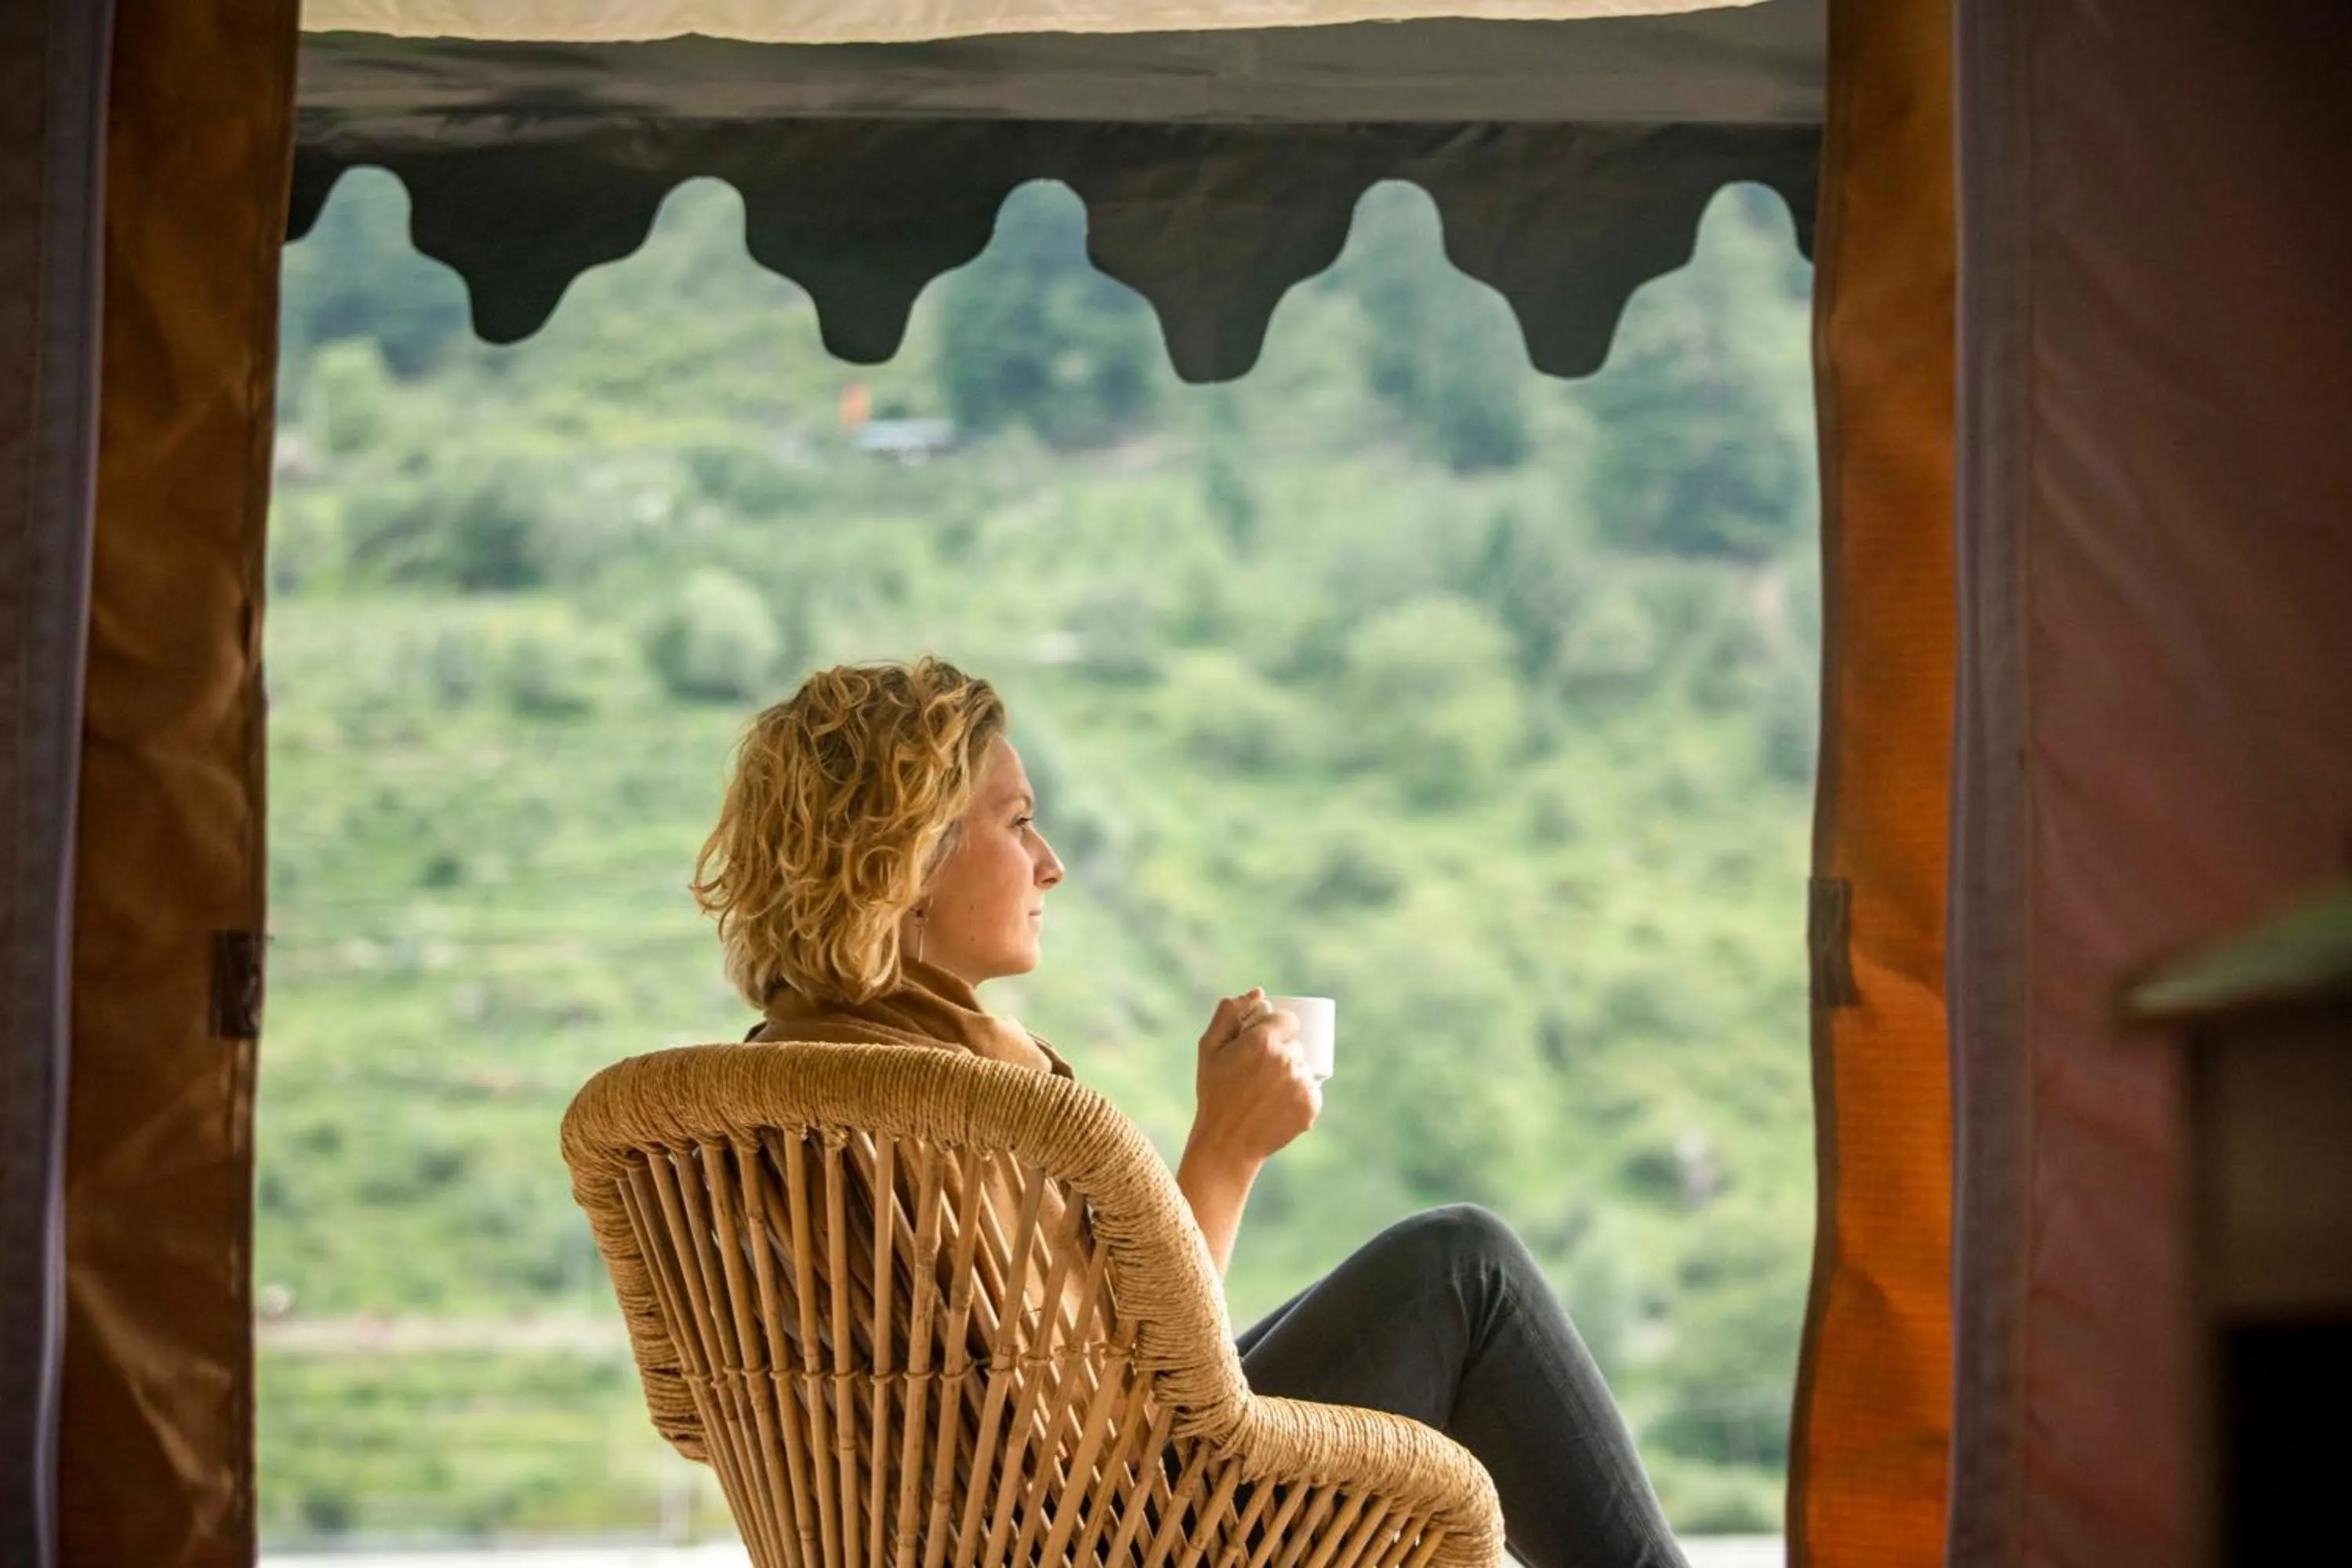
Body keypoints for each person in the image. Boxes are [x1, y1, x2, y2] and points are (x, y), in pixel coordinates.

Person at [692, 656, 1689, 1568]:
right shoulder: (945, 1106)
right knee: (1462, 1270)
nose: (1051, 863)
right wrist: (1226, 1151)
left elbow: (1047, 1395)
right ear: (905, 855)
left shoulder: (767, 1089)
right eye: (1017, 820)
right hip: (1116, 1542)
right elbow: (1108, 1429)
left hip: (997, 1536)